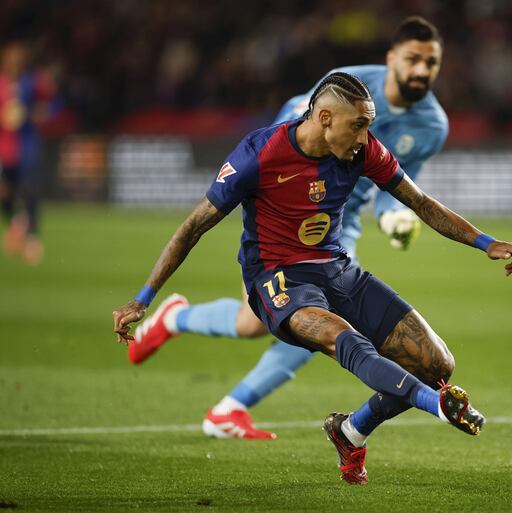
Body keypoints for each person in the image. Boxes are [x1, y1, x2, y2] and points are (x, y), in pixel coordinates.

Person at [112, 71, 512, 484]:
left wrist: (483, 241)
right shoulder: (259, 153)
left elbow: (419, 201)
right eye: (358, 125)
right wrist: (142, 297)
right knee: (346, 341)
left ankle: (351, 431)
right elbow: (193, 226)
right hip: (278, 280)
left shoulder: (363, 152)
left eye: (369, 125)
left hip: (336, 268)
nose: (365, 137)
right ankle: (435, 404)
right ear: (325, 118)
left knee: (435, 362)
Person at [129, 17, 449, 440]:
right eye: (413, 59)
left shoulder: (432, 125)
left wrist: (392, 215)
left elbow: (403, 183)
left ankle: (179, 321)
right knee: (295, 325)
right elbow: (292, 131)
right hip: (283, 217)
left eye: (432, 62)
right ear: (392, 59)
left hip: (338, 226)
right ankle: (229, 404)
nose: (422, 70)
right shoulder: (351, 87)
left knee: (271, 323)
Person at [0, 40, 55, 265]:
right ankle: (17, 221)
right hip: (5, 146)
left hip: (28, 144)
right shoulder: (2, 83)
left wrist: (39, 113)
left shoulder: (33, 81)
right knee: (4, 193)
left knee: (30, 191)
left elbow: (54, 102)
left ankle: (32, 238)